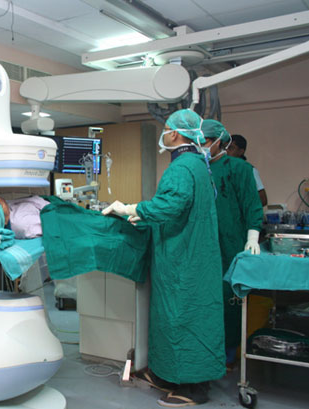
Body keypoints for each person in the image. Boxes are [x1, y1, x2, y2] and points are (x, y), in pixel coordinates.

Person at [102, 109, 225, 407]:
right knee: (171, 319)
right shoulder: (198, 164)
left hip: (184, 261)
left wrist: (132, 209)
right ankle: (168, 374)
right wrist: (143, 217)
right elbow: (181, 207)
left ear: (175, 134)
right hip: (190, 255)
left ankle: (195, 387)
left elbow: (171, 205)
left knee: (184, 319)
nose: (164, 133)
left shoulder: (183, 167)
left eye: (166, 128)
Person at [202, 120, 264, 367]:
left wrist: (252, 237)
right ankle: (204, 350)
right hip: (202, 245)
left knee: (229, 299)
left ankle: (228, 354)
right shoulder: (196, 169)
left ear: (219, 142)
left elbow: (252, 205)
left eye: (205, 141)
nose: (201, 146)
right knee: (204, 299)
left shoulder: (240, 169)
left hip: (230, 244)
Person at [226, 134, 268, 207]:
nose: (226, 151)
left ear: (241, 152)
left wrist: (245, 209)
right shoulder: (223, 169)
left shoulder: (250, 170)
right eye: (225, 148)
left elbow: (263, 200)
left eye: (231, 148)